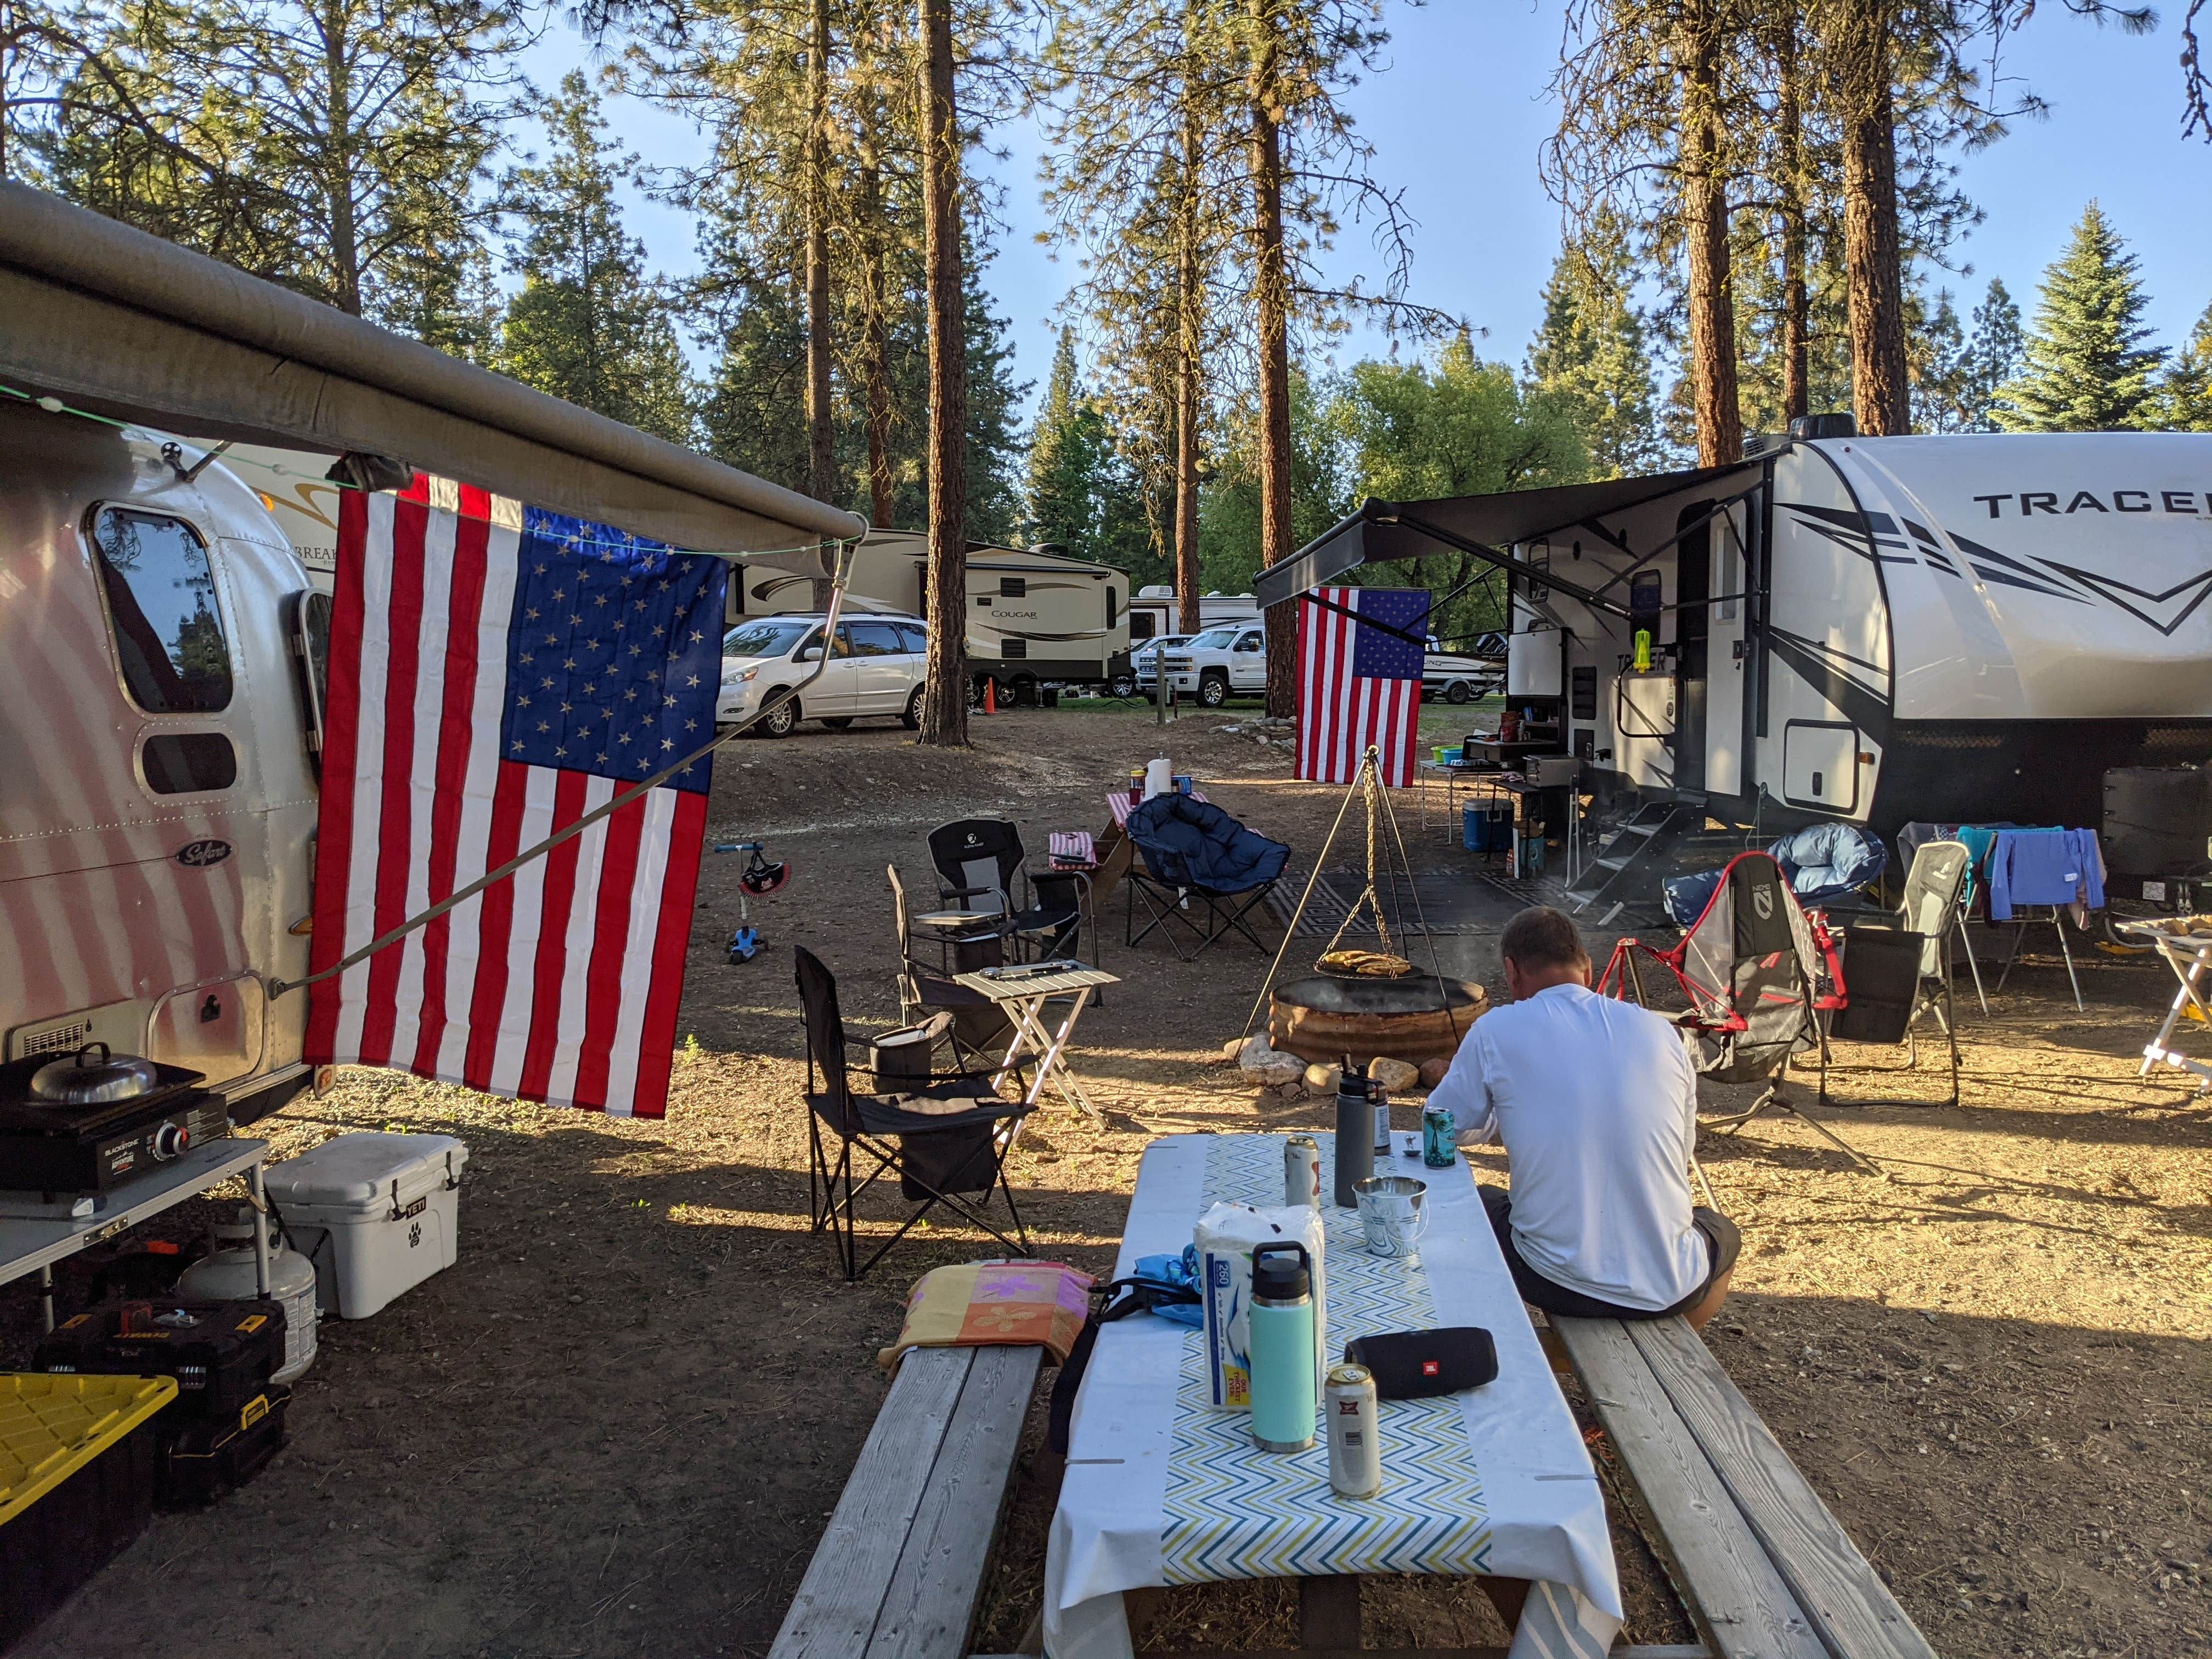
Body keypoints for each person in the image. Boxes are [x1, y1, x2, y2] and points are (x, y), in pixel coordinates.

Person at [1429, 905, 1739, 1329]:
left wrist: (1500, 1120)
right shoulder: (1661, 1031)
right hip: (1671, 1282)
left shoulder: (1496, 1029)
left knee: (1476, 1202)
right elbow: (1680, 1152)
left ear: (1512, 971)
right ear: (1588, 970)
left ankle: (1496, 1337)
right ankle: (1682, 1329)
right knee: (1721, 1230)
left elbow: (1440, 1124)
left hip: (1553, 1279)